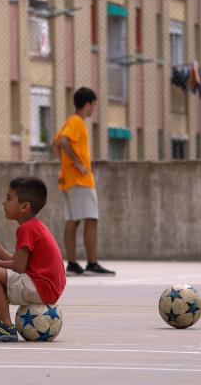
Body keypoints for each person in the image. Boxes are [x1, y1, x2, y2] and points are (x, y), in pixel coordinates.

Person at [0, 176, 66, 343]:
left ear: (24, 207)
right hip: (47, 287)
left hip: (43, 287)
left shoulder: (27, 228)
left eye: (9, 198)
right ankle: (2, 324)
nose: (3, 202)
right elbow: (17, 262)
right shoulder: (33, 226)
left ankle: (5, 326)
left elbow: (18, 267)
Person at [50, 87, 115, 277]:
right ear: (87, 105)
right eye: (94, 105)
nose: (94, 109)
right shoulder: (77, 121)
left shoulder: (70, 121)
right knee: (91, 219)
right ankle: (92, 264)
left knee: (72, 222)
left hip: (67, 179)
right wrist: (77, 163)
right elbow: (62, 141)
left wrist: (67, 165)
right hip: (80, 180)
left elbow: (55, 145)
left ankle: (72, 265)